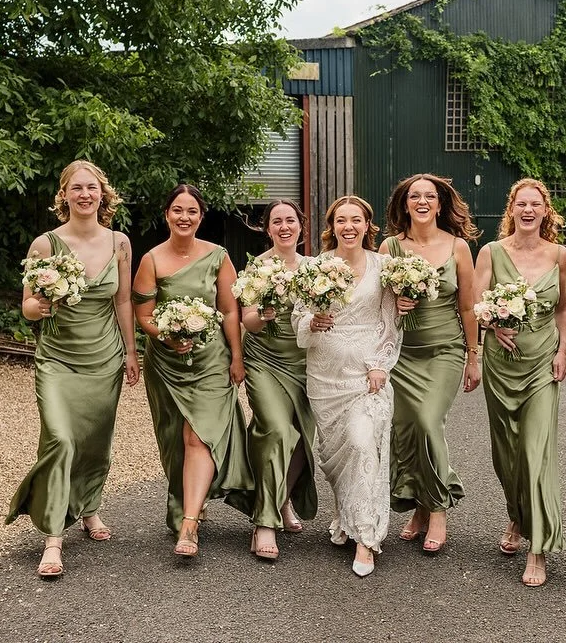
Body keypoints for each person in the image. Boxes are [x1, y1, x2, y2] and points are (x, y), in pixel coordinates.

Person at [7, 159, 141, 579]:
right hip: (58, 359)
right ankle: (52, 537)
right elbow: (27, 306)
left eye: (92, 187)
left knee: (94, 442)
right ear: (63, 195)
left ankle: (89, 507)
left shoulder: (120, 243)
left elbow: (123, 300)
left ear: (103, 194)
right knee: (61, 439)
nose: (85, 195)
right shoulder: (45, 244)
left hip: (104, 357)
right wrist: (40, 305)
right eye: (77, 188)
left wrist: (131, 352)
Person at [132, 184, 251, 558]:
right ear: (167, 215)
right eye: (178, 210)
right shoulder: (151, 260)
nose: (184, 217)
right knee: (174, 441)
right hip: (166, 365)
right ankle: (187, 502)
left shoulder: (218, 256)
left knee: (198, 437)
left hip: (211, 361)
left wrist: (236, 357)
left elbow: (229, 310)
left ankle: (189, 525)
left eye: (192, 211)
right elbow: (143, 315)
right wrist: (166, 336)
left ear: (201, 216)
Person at [292, 195, 400, 577]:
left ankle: (366, 538)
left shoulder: (383, 266)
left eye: (356, 219)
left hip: (367, 374)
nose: (348, 226)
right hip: (325, 376)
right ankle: (347, 518)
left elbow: (390, 321)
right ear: (332, 226)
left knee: (361, 442)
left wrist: (381, 364)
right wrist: (311, 322)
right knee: (338, 457)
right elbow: (298, 317)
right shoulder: (315, 266)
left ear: (367, 225)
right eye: (341, 220)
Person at [474, 178, 566, 587]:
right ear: (511, 209)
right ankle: (516, 515)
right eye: (521, 204)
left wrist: (565, 353)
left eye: (536, 204)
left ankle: (538, 548)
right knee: (507, 454)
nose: (528, 210)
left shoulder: (561, 256)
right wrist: (493, 324)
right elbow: (475, 304)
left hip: (542, 363)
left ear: (546, 211)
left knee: (535, 452)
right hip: (501, 364)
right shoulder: (491, 252)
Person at [379, 174, 480, 554]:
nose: (422, 202)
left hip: (444, 351)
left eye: (430, 197)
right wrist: (395, 301)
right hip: (401, 353)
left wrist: (473, 356)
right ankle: (420, 508)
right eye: (414, 196)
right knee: (405, 430)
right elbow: (376, 303)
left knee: (427, 421)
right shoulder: (389, 248)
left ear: (440, 205)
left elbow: (467, 307)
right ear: (405, 204)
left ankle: (437, 508)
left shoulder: (458, 247)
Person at [241, 200, 317, 561]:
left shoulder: (315, 268)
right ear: (267, 228)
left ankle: (281, 499)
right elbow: (248, 321)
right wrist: (263, 314)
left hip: (306, 363)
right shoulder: (257, 267)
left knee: (301, 437)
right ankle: (264, 523)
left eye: (290, 220)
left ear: (300, 226)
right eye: (277, 221)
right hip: (264, 360)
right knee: (274, 430)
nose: (284, 227)